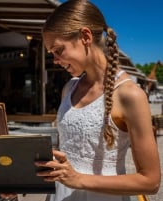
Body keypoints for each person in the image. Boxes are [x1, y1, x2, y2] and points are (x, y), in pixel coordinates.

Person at [34, 0, 161, 201]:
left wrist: (78, 179)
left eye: (58, 50)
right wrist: (20, 180)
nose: (55, 61)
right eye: (51, 54)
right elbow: (63, 157)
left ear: (85, 37)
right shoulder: (69, 88)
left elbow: (150, 182)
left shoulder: (130, 95)